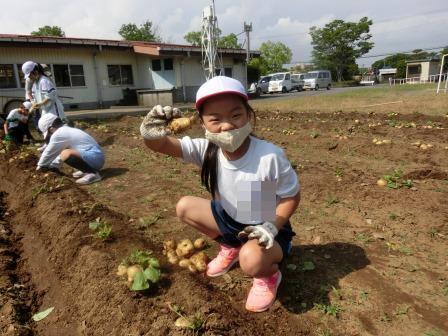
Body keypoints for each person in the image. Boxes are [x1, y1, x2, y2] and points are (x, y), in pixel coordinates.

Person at [140, 76, 301, 312]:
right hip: (232, 216)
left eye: (236, 115)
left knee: (252, 260)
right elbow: (162, 145)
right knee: (184, 206)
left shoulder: (269, 156)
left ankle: (268, 276)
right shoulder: (207, 150)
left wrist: (273, 226)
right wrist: (149, 133)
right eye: (215, 119)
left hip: (266, 226)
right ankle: (231, 245)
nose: (226, 126)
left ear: (248, 115)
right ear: (203, 123)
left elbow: (291, 196)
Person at [36, 113, 104, 185]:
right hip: (96, 157)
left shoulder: (59, 133)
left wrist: (40, 166)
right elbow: (58, 153)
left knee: (65, 153)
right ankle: (87, 170)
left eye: (49, 133)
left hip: (95, 158)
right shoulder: (66, 129)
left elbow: (49, 152)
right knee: (64, 152)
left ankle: (92, 174)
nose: (50, 135)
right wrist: (52, 166)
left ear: (51, 129)